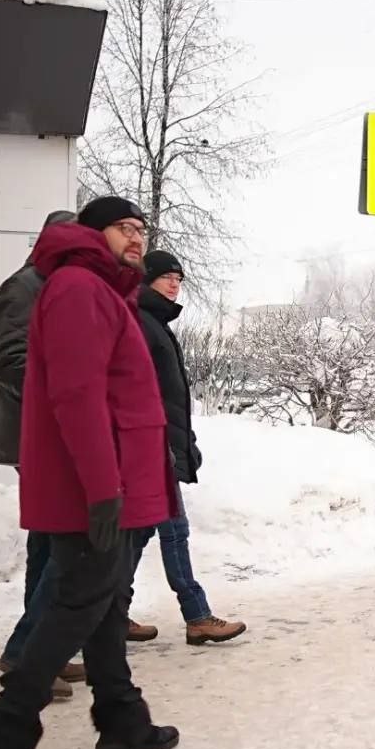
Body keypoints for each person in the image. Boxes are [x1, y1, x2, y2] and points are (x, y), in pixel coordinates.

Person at [0, 197, 179, 749]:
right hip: (95, 485)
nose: (136, 238)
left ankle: (121, 720)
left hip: (111, 476)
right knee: (77, 601)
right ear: (92, 233)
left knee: (102, 602)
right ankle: (3, 732)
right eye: (123, 228)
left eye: (140, 228)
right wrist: (104, 489)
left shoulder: (99, 288)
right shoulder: (80, 287)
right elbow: (78, 396)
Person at [0, 208, 81, 700]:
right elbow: (7, 358)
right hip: (37, 435)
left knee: (48, 547)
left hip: (51, 433)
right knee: (59, 547)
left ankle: (42, 652)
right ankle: (27, 655)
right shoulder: (24, 286)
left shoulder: (53, 287)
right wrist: (62, 401)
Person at [131, 250, 247, 645]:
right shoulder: (142, 324)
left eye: (179, 277)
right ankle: (196, 615)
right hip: (151, 448)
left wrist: (186, 443)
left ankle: (112, 611)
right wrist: (162, 445)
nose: (175, 283)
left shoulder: (155, 324)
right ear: (147, 279)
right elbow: (142, 396)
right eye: (167, 276)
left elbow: (171, 397)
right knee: (173, 531)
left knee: (142, 532)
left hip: (161, 445)